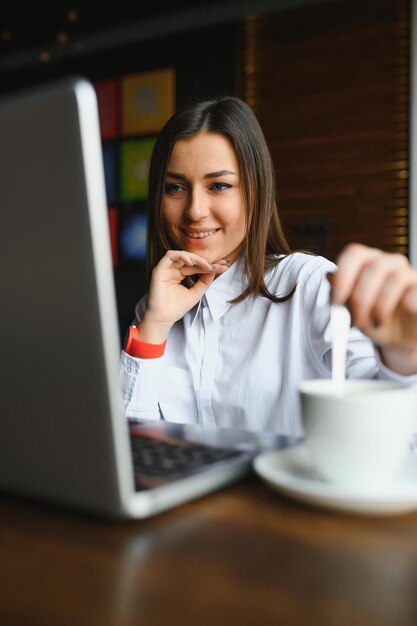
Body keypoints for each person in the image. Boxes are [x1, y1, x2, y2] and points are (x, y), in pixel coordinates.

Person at [120, 96, 417, 436]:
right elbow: (128, 449)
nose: (195, 210)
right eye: (175, 188)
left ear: (256, 191)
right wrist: (154, 326)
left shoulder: (310, 285)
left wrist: (404, 358)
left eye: (219, 186)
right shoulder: (154, 308)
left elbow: (398, 434)